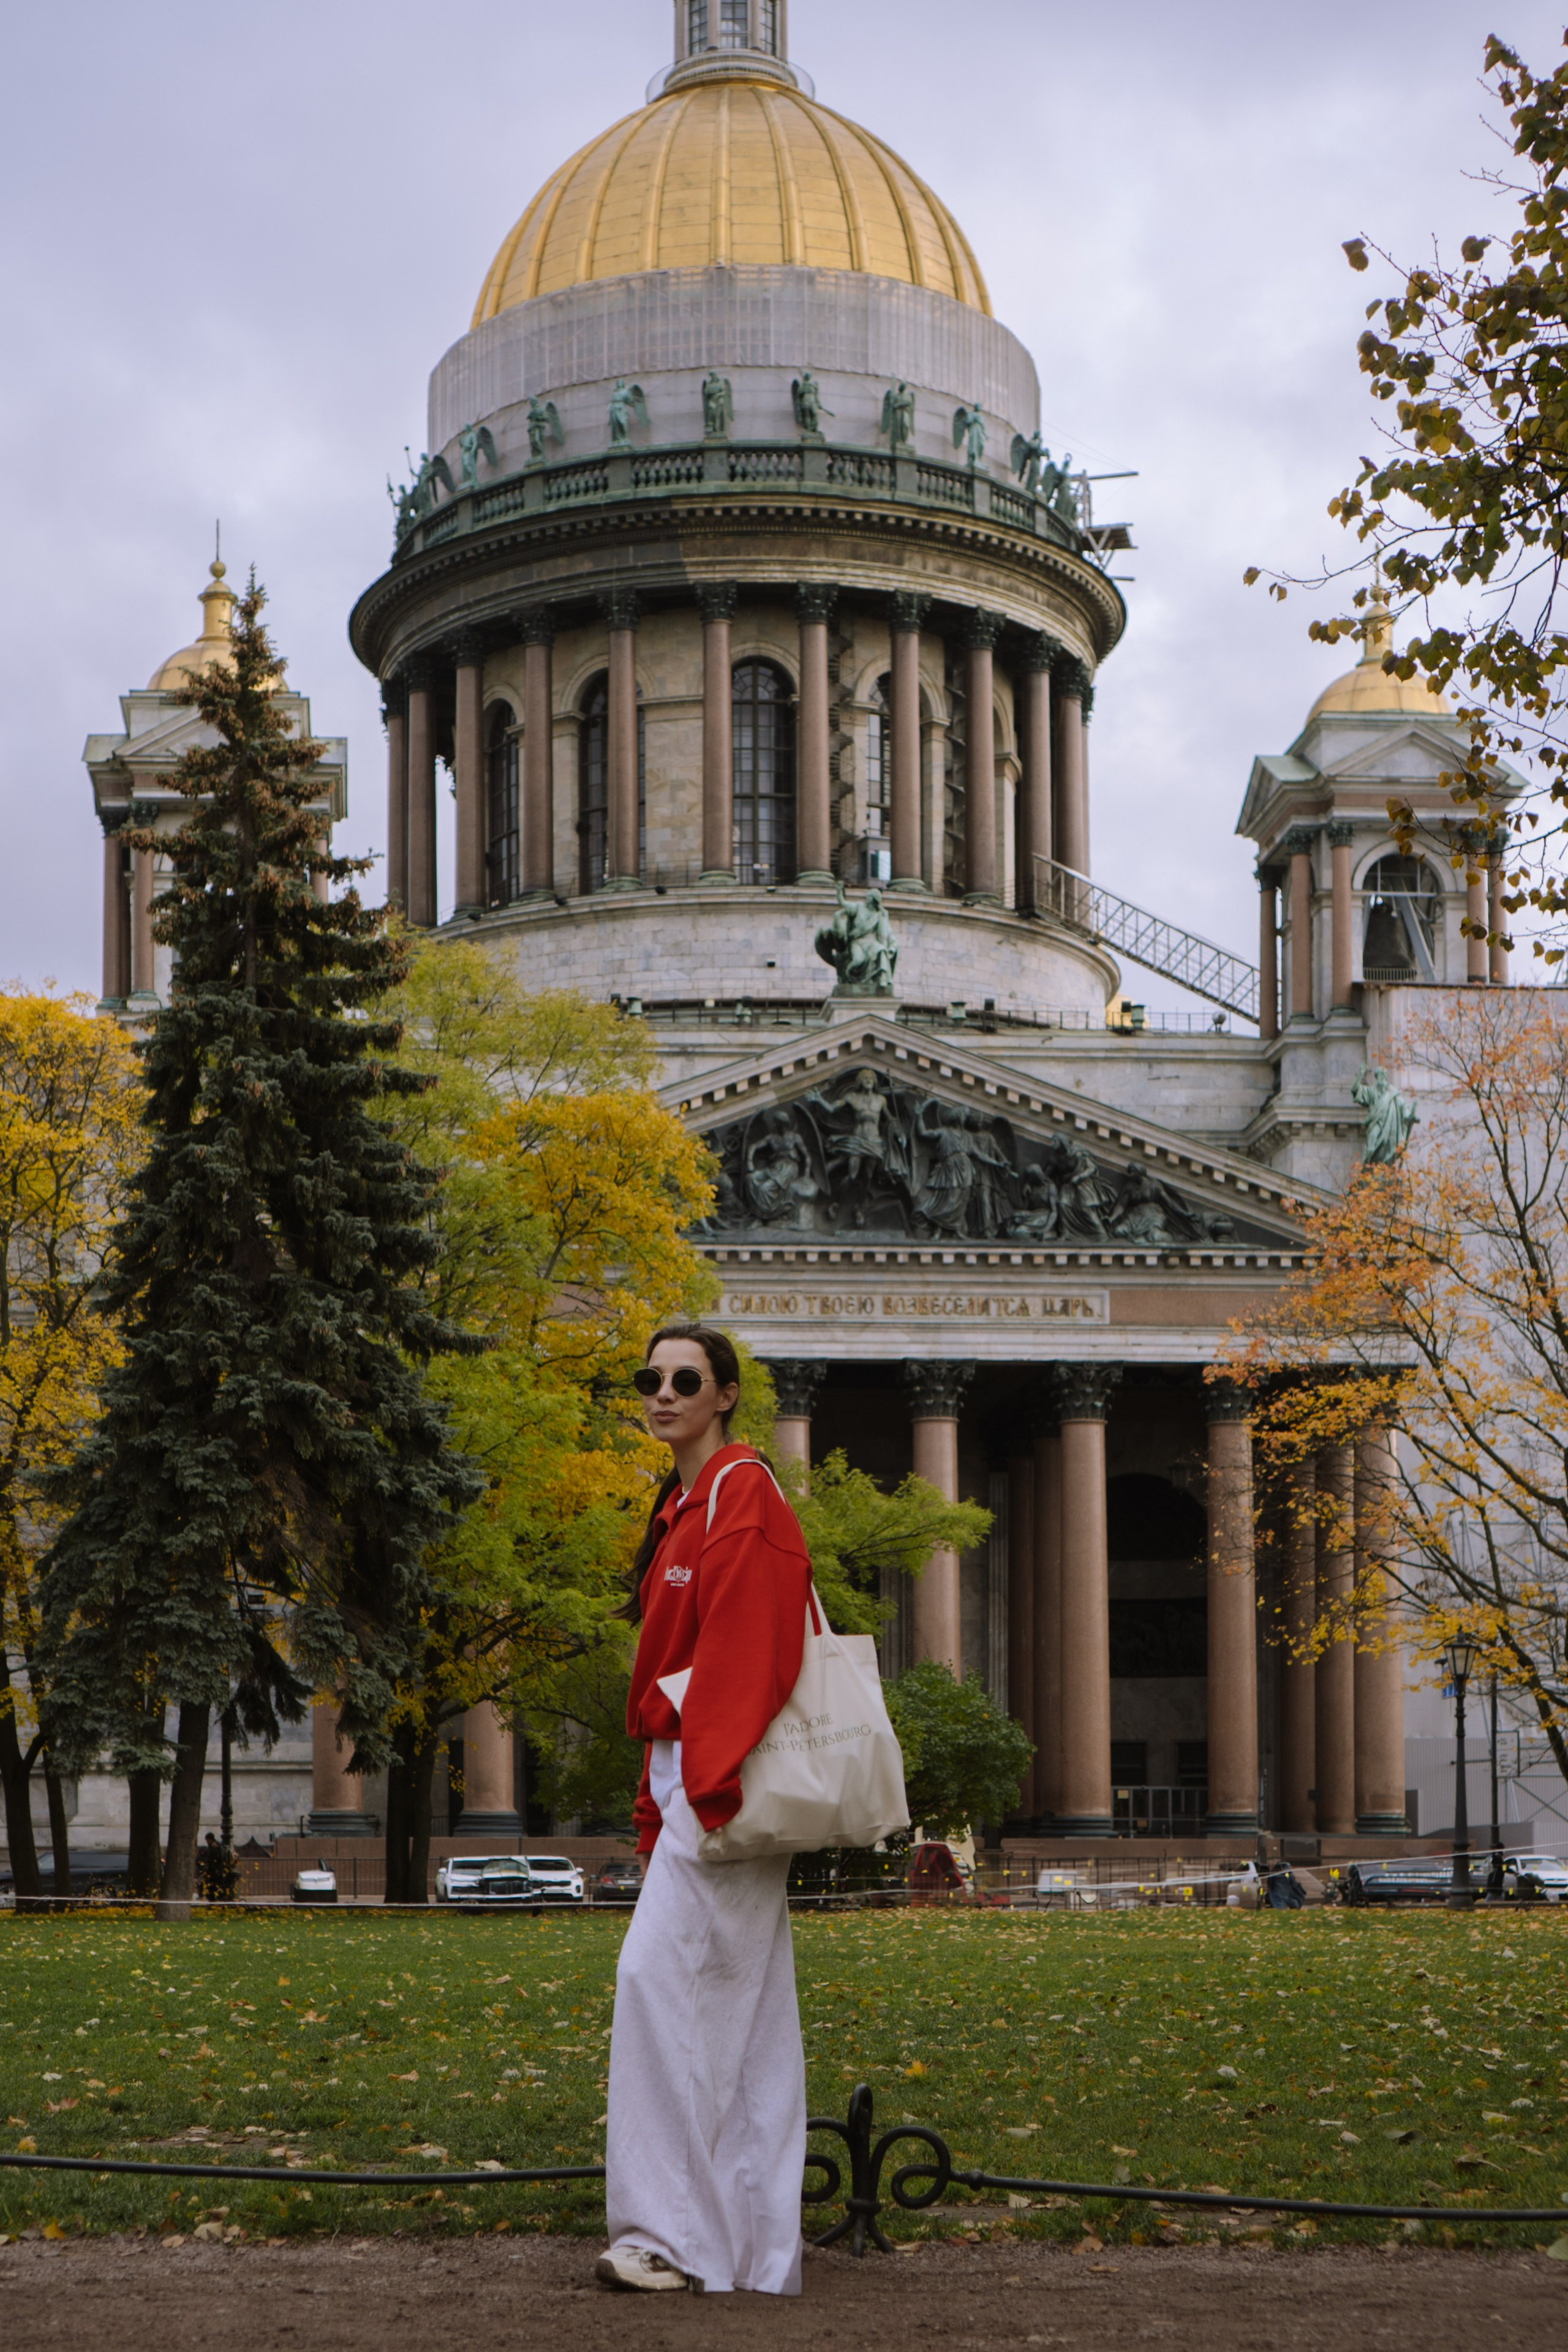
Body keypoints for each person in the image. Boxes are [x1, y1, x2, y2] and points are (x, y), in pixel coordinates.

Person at [598, 1322, 814, 2297]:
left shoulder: (742, 1492)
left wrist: (709, 1789)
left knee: (661, 1985)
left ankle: (665, 2238)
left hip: (716, 1784)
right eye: (651, 1377)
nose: (664, 1393)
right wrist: (665, 1804)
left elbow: (752, 1645)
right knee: (741, 2018)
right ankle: (751, 2251)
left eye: (686, 1380)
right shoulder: (683, 1505)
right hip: (691, 1781)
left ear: (725, 1394)